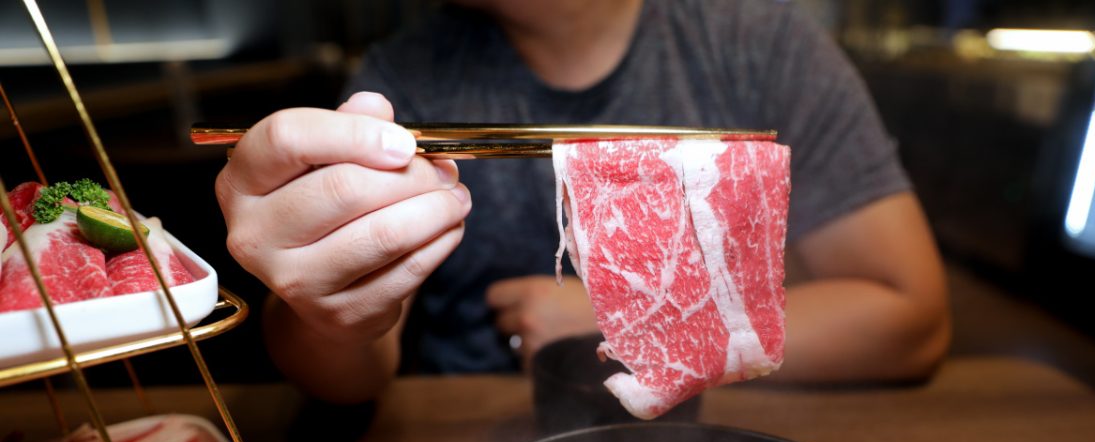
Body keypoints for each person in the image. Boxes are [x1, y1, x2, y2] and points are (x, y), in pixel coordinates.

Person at [215, 0, 950, 404]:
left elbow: (909, 321)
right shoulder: (409, 71)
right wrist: (325, 306)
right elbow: (342, 375)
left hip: (712, 437)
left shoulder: (761, 42)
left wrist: (620, 323)